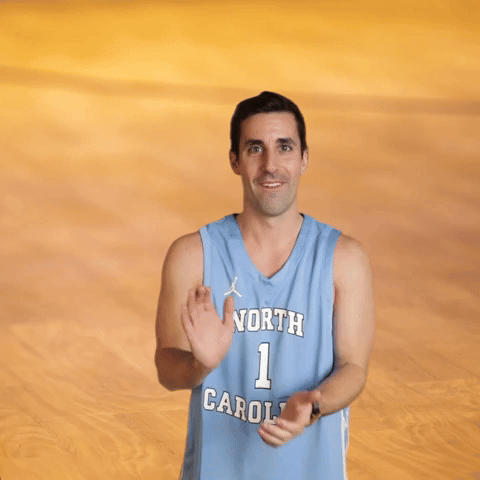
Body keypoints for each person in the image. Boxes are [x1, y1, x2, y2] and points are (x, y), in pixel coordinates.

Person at [155, 91, 375, 479]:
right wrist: (198, 365)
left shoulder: (345, 258)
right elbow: (167, 368)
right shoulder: (192, 256)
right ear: (235, 161)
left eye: (284, 147)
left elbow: (354, 367)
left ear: (304, 158)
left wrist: (314, 405)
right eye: (255, 148)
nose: (270, 165)